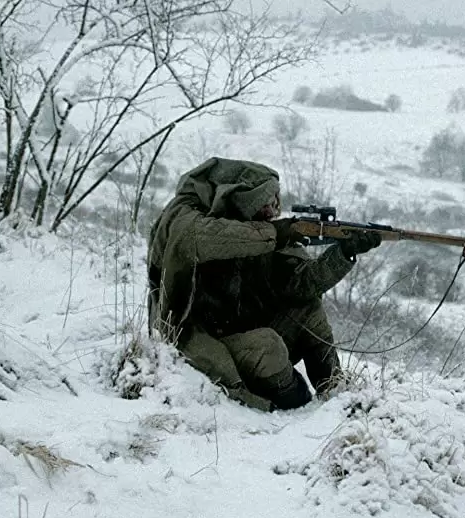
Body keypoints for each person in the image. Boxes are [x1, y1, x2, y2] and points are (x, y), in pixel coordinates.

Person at [146, 157, 381, 411]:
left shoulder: (258, 229)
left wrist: (343, 253)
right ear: (243, 200)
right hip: (204, 343)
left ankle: (337, 394)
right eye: (265, 204)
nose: (273, 212)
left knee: (309, 310)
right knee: (268, 346)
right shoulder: (184, 218)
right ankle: (295, 402)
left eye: (275, 203)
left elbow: (301, 285)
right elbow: (201, 237)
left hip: (245, 328)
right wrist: (274, 234)